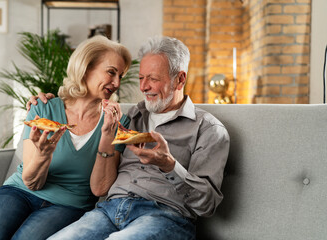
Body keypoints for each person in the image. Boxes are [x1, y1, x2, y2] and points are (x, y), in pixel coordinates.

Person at [30, 36, 230, 240]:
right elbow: (100, 186)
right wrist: (48, 101)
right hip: (108, 211)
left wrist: (169, 165)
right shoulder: (130, 117)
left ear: (180, 79)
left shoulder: (208, 129)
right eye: (141, 78)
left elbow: (207, 204)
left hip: (163, 216)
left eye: (153, 79)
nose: (143, 87)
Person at [0, 35, 132, 240]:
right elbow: (31, 183)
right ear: (85, 67)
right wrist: (44, 154)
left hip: (68, 205)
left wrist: (107, 134)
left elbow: (99, 188)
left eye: (121, 76)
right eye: (111, 72)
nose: (117, 82)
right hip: (18, 192)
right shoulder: (43, 109)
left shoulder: (118, 122)